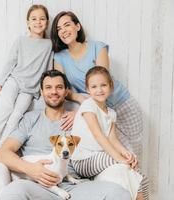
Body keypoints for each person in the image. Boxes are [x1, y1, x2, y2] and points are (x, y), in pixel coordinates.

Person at [0, 69, 131, 200]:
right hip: (37, 185)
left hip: (73, 185)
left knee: (119, 194)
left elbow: (103, 132)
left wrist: (78, 114)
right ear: (42, 92)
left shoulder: (82, 117)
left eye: (59, 87)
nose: (54, 91)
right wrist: (30, 169)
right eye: (48, 87)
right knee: (13, 192)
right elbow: (3, 153)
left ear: (66, 91)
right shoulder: (30, 119)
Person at [50, 11, 144, 162]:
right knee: (117, 158)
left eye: (67, 25)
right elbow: (63, 89)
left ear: (78, 26)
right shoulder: (60, 57)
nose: (63, 30)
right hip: (99, 111)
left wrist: (83, 108)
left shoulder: (98, 47)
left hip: (122, 104)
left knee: (134, 156)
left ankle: (138, 184)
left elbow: (102, 80)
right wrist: (81, 102)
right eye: (59, 29)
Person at [70, 66, 149, 200]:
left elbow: (113, 139)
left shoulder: (111, 112)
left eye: (103, 85)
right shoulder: (88, 106)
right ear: (88, 89)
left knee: (141, 177)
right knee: (126, 165)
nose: (99, 90)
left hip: (99, 157)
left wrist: (126, 154)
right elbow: (98, 135)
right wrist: (119, 159)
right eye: (94, 87)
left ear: (110, 86)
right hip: (83, 160)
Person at [0, 4, 53, 161]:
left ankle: (2, 146)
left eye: (42, 18)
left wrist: (45, 90)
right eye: (34, 19)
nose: (38, 22)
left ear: (47, 22)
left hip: (30, 89)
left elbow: (48, 68)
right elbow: (10, 62)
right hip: (15, 80)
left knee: (17, 115)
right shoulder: (21, 41)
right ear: (28, 22)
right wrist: (0, 83)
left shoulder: (49, 44)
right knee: (7, 108)